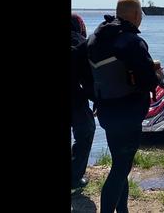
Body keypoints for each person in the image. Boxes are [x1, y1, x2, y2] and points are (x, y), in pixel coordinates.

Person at [87, 0, 164, 213]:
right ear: (136, 15)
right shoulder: (133, 41)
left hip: (106, 111)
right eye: (141, 14)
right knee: (121, 169)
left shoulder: (95, 38)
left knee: (120, 164)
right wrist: (158, 75)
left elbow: (89, 76)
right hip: (128, 113)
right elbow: (147, 81)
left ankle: (122, 210)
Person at [71, 13, 95, 194]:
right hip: (75, 98)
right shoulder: (82, 44)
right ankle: (75, 177)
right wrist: (98, 100)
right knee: (86, 131)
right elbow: (89, 79)